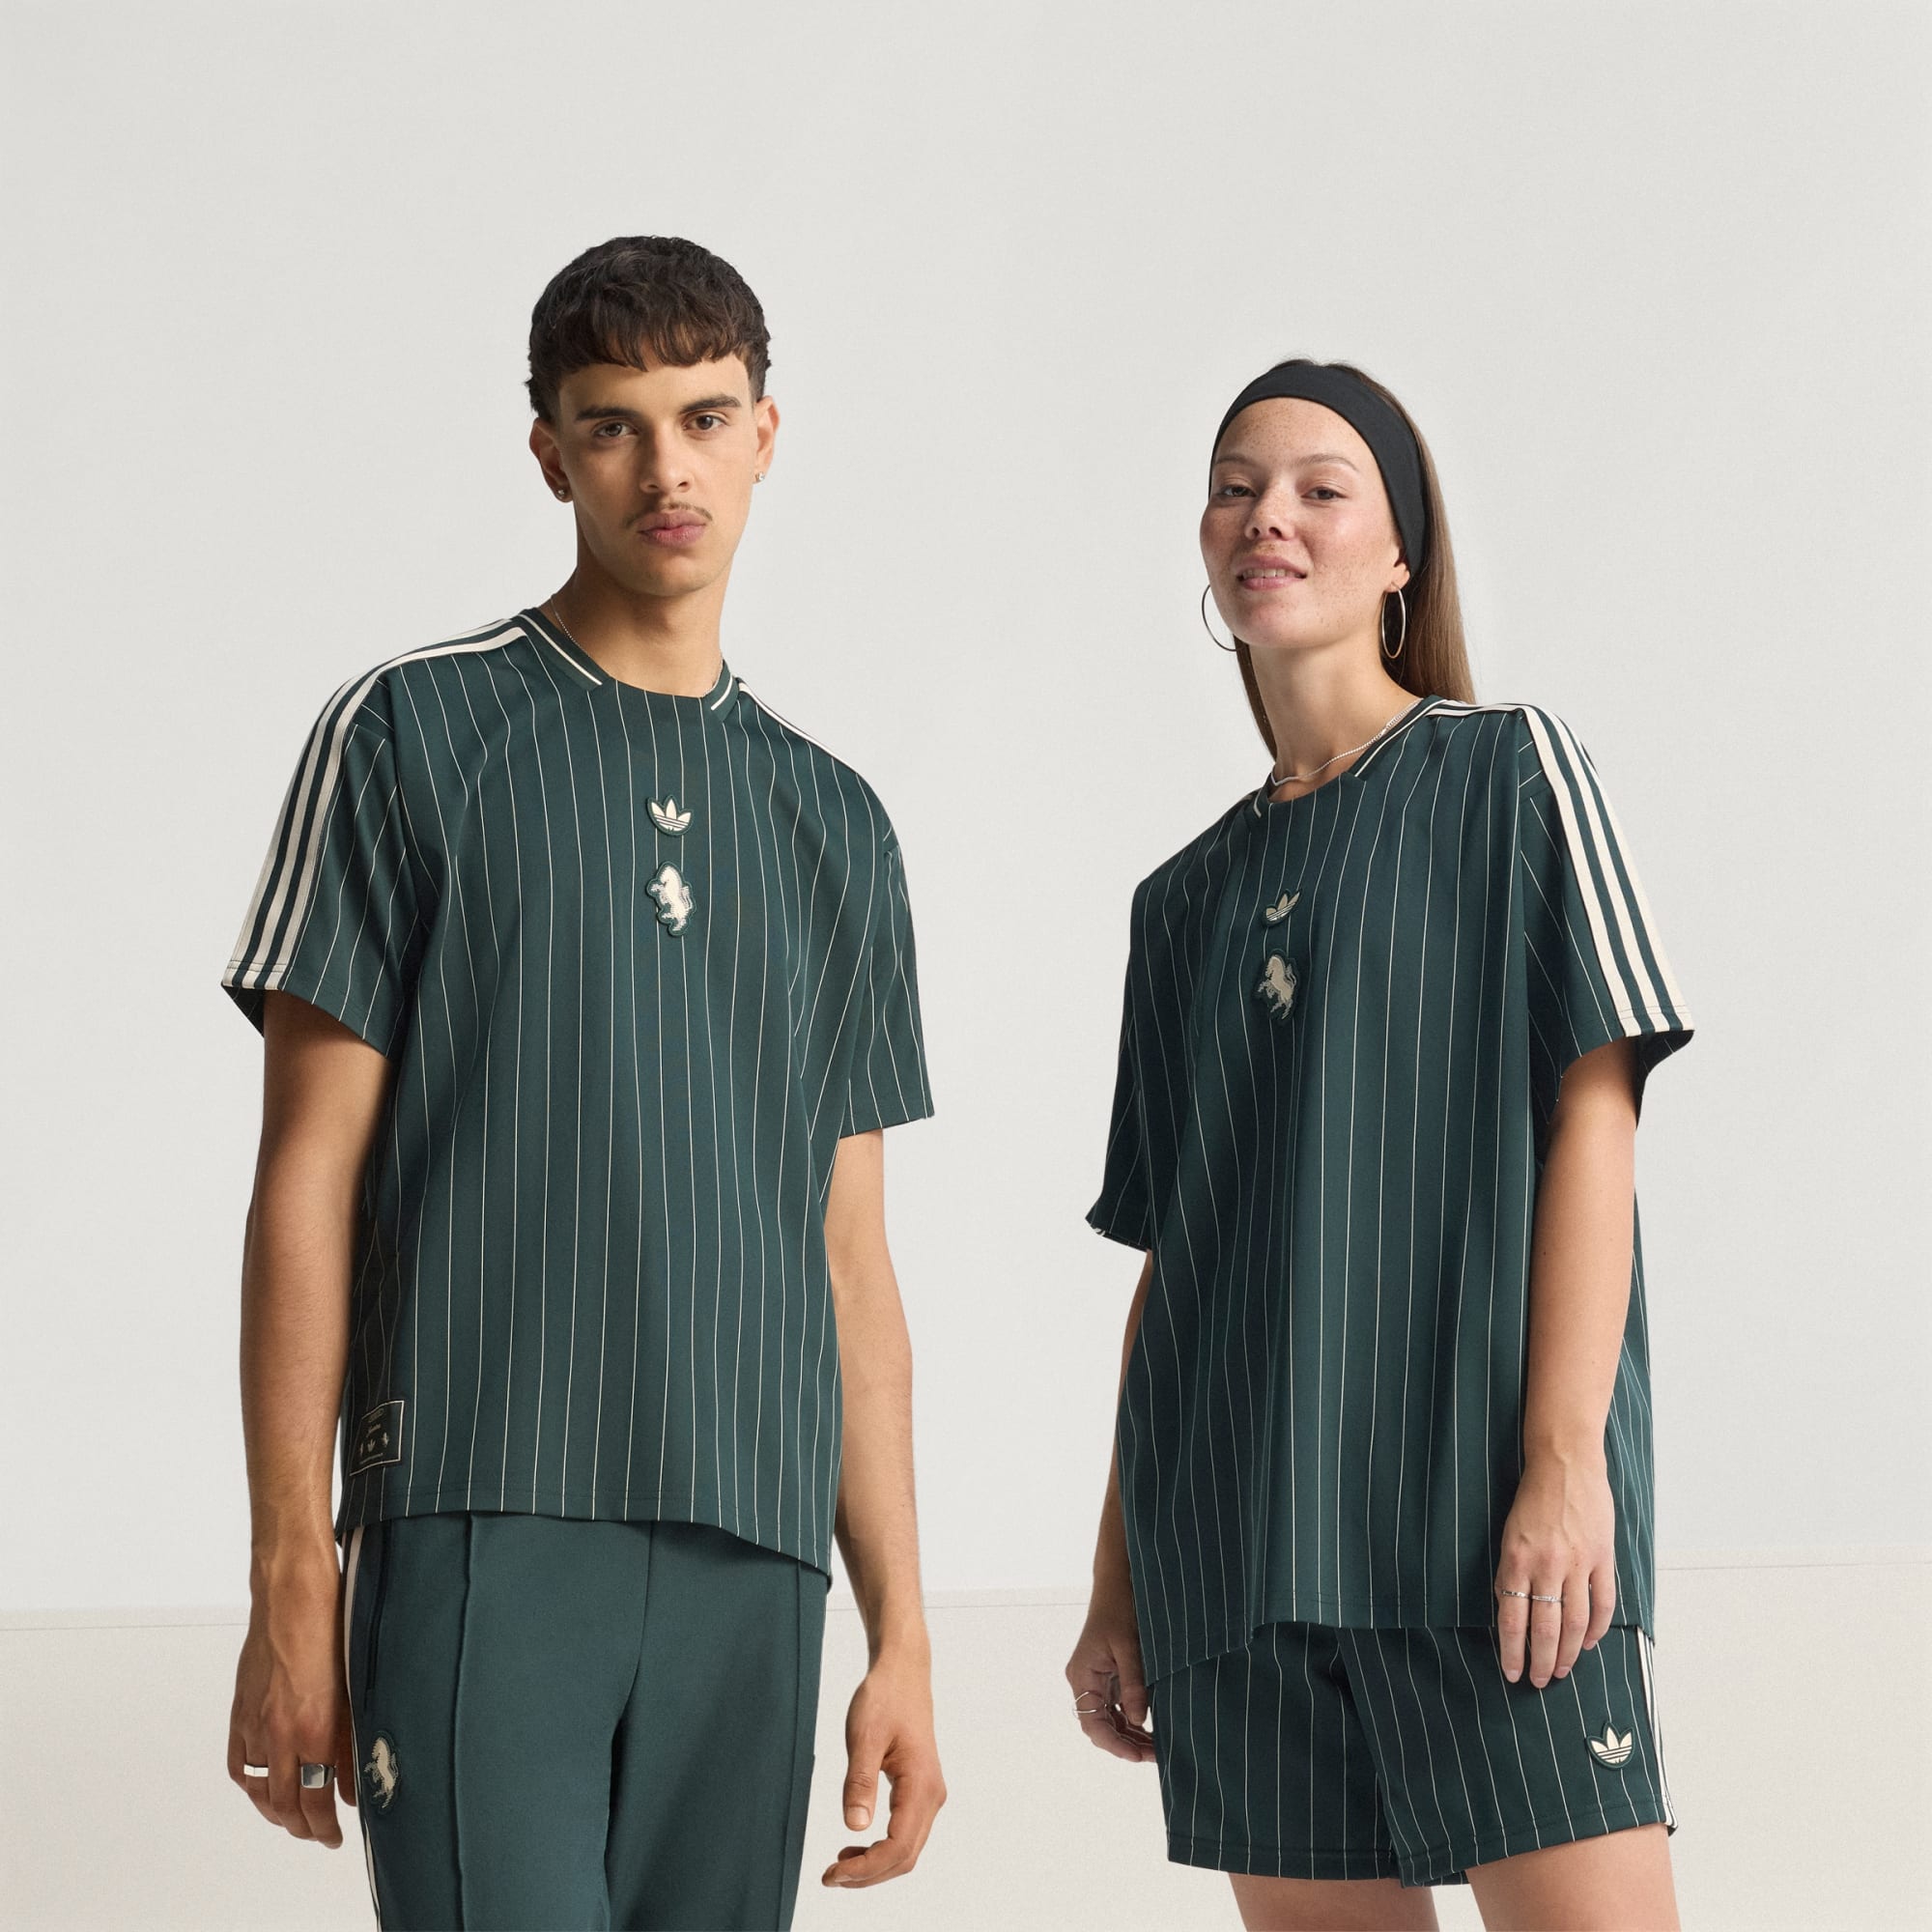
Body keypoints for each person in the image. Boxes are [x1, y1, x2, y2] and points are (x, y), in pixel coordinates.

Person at [218, 235, 947, 1930]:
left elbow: (852, 1266)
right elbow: (306, 1182)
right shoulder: (412, 737)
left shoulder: (835, 822)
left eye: (705, 418)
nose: (666, 468)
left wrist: (905, 1631)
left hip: (755, 1550)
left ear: (767, 434)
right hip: (483, 1505)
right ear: (550, 452)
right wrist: (290, 1570)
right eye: (614, 425)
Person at [1066, 358, 1693, 1932]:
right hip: (1233, 1558)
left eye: (1319, 488)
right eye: (1235, 488)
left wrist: (1566, 1463)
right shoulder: (1179, 903)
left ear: (1401, 551)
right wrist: (1118, 1580)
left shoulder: (1507, 774)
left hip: (1481, 1533)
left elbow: (1595, 1116)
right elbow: (1174, 1264)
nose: (1266, 517)